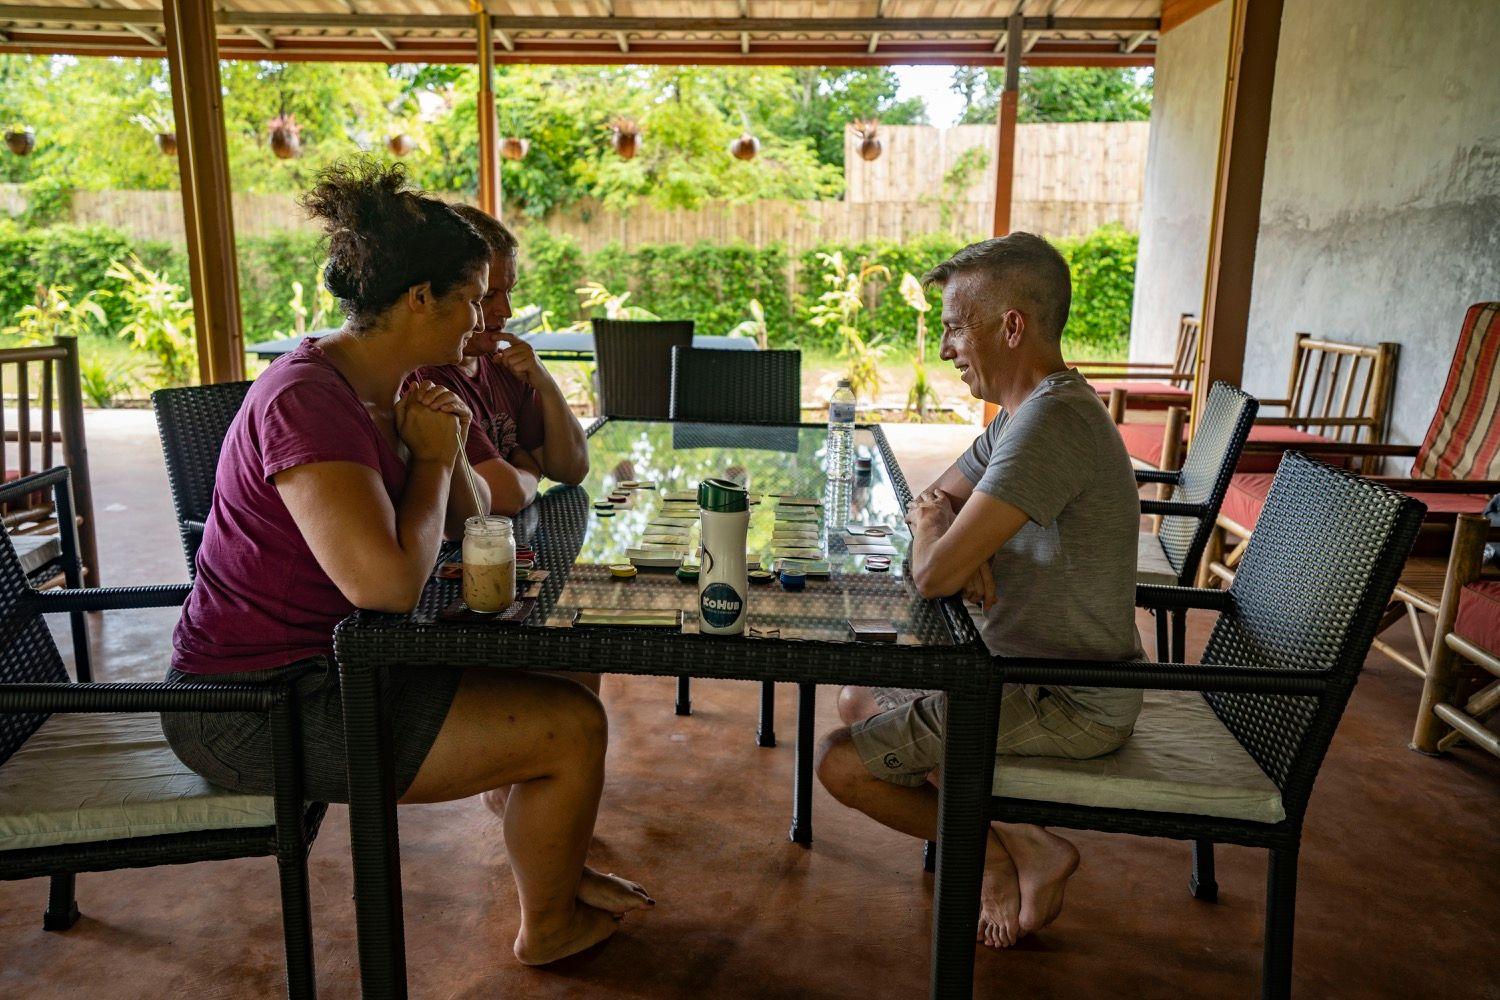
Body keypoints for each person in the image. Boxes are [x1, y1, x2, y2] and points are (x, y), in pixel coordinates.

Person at [161, 159, 650, 966]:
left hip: (348, 666)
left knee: (568, 675)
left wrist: (446, 451)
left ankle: (556, 875)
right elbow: (385, 584)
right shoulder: (307, 399)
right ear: (420, 298)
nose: (479, 321)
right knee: (571, 727)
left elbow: (473, 511)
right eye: (468, 299)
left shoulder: (390, 388)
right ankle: (550, 926)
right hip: (256, 706)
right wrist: (429, 464)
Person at [814, 233, 1143, 950]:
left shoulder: (1052, 424)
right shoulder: (1023, 416)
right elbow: (931, 503)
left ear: (1012, 326)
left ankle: (1001, 852)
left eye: (955, 328)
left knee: (838, 762)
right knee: (855, 697)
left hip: (1066, 695)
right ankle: (1017, 835)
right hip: (1012, 669)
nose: (944, 349)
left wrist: (947, 538)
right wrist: (944, 522)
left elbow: (932, 575)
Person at [412, 204, 588, 516]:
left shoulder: (501, 363)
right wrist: (530, 470)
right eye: (487, 296)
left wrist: (545, 383)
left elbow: (572, 468)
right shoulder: (429, 379)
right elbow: (504, 497)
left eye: (509, 293)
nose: (505, 311)